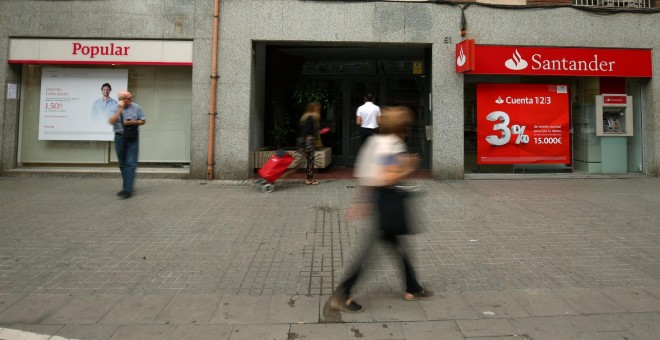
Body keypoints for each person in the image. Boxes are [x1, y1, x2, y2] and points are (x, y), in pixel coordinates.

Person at [329, 106, 433, 313]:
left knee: (396, 244)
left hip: (378, 198)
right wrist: (410, 166)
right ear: (402, 128)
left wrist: (361, 200)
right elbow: (387, 176)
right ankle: (342, 292)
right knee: (372, 251)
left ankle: (413, 287)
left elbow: (364, 173)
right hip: (388, 199)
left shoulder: (374, 142)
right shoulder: (393, 145)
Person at [108, 90, 145, 199]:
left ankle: (127, 189)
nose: (132, 99)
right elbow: (111, 121)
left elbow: (143, 120)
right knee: (122, 164)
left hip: (133, 137)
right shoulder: (114, 108)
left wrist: (134, 122)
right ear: (122, 99)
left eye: (131, 97)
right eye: (129, 97)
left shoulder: (136, 107)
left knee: (131, 163)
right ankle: (128, 185)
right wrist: (120, 109)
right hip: (120, 137)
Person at [298, 102, 321, 185]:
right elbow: (306, 131)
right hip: (308, 142)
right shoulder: (310, 118)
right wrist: (303, 144)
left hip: (307, 141)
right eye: (317, 107)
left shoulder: (308, 117)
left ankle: (309, 178)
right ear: (313, 108)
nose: (318, 109)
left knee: (309, 161)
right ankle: (309, 179)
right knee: (310, 161)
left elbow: (306, 130)